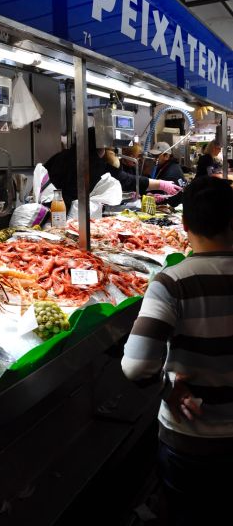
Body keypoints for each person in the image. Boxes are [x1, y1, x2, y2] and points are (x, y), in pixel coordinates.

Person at [121, 176, 233, 525]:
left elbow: (136, 366)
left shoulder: (172, 282)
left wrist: (169, 388)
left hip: (192, 440)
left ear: (184, 225)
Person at [43, 127, 181, 211]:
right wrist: (159, 184)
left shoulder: (60, 156)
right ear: (98, 147)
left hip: (48, 208)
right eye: (105, 148)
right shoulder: (92, 163)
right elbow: (124, 180)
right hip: (70, 213)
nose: (106, 151)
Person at [147, 141, 185, 207]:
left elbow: (167, 198)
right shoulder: (167, 166)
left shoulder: (171, 173)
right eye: (153, 156)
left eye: (157, 156)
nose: (154, 159)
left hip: (171, 208)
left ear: (166, 156)